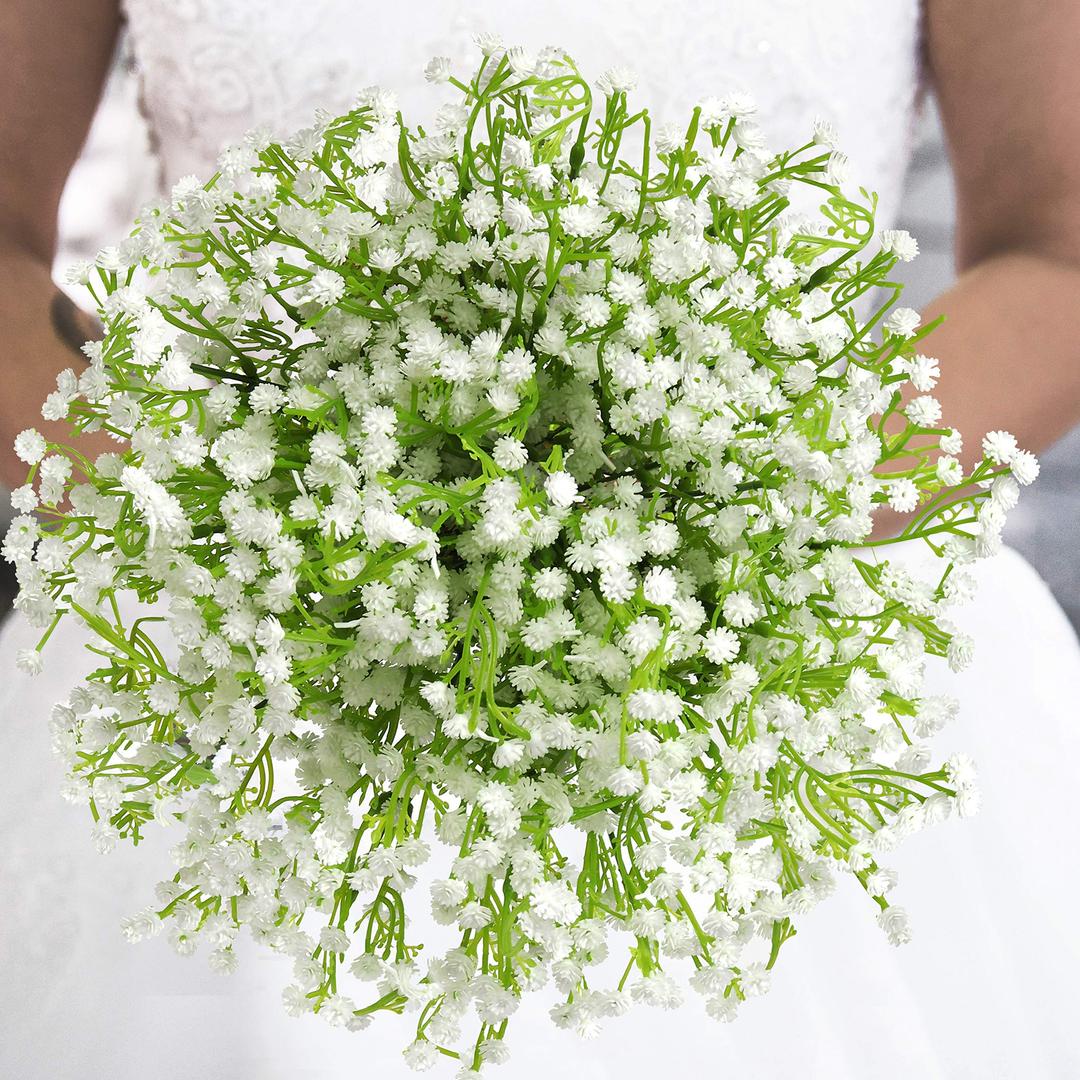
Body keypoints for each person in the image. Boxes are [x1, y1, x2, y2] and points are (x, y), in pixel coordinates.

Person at [1, 2, 1079, 1077]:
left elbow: (1058, 250)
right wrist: (238, 514)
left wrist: (766, 504)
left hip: (788, 644)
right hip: (254, 659)